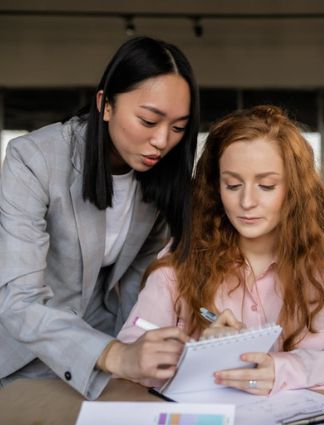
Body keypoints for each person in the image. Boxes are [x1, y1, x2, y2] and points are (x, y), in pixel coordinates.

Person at [118, 105, 324, 395]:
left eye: (266, 186)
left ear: (293, 190)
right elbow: (130, 353)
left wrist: (289, 368)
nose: (247, 202)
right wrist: (201, 354)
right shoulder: (182, 256)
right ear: (216, 187)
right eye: (232, 185)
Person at [0, 36, 199, 399]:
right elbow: (19, 301)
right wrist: (117, 354)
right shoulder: (33, 160)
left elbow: (138, 290)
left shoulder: (159, 180)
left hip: (101, 353)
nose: (161, 140)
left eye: (178, 127)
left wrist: (145, 351)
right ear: (105, 104)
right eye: (148, 119)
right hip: (18, 356)